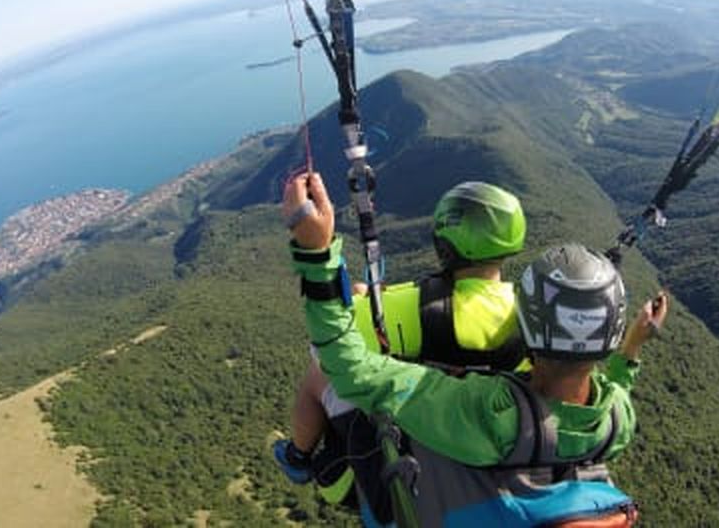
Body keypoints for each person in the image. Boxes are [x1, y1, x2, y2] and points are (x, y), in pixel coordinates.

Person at [282, 172, 669, 527]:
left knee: (320, 376)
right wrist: (632, 348)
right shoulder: (616, 420)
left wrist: (317, 255)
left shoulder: (480, 411)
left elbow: (344, 364)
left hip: (403, 490)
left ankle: (297, 458)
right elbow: (615, 390)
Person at [273, 181, 528, 512]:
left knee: (318, 374)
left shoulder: (412, 308)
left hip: (404, 467)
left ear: (444, 245)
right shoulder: (530, 316)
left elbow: (331, 341)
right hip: (494, 463)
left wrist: (328, 262)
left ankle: (298, 457)